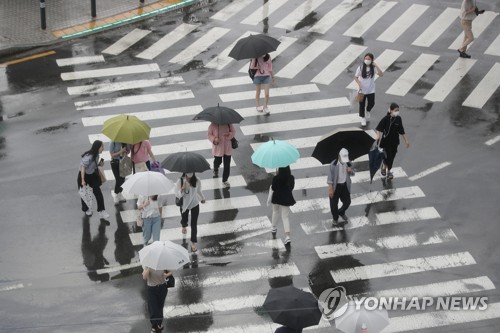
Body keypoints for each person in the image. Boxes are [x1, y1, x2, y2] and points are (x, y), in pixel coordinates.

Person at [375, 103, 410, 180]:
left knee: (392, 157)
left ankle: (384, 165)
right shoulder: (386, 119)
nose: (397, 112)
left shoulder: (398, 119)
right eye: (395, 110)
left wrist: (406, 140)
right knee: (389, 157)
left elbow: (402, 131)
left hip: (394, 142)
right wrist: (378, 136)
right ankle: (389, 171)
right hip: (385, 143)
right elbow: (378, 128)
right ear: (391, 110)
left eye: (398, 110)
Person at [174, 173, 206, 253]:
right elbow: (177, 195)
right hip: (184, 205)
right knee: (184, 219)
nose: (189, 175)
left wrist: (203, 198)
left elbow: (199, 190)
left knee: (194, 224)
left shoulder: (197, 180)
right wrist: (182, 188)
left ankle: (193, 242)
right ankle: (184, 225)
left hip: (195, 204)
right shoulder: (180, 181)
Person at [78, 140, 109, 219]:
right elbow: (83, 167)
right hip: (83, 175)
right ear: (98, 147)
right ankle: (86, 209)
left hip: (92, 175)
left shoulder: (97, 155)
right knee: (84, 193)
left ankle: (101, 210)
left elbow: (93, 166)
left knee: (98, 192)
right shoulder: (89, 156)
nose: (103, 148)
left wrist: (99, 164)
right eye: (102, 146)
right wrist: (82, 180)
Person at [354, 53, 384, 127]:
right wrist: (359, 84)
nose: (367, 60)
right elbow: (355, 77)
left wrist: (376, 65)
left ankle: (368, 110)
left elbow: (381, 74)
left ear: (372, 60)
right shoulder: (360, 67)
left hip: (371, 90)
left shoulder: (373, 68)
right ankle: (363, 118)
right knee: (361, 105)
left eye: (369, 59)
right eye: (366, 58)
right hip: (362, 90)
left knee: (371, 103)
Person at [327, 148, 355, 226]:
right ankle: (335, 218)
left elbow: (353, 173)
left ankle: (341, 212)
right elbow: (330, 178)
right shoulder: (333, 164)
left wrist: (350, 171)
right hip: (336, 187)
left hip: (345, 186)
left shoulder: (349, 163)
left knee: (347, 202)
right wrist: (330, 188)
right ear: (339, 156)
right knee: (333, 206)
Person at [270, 166, 296, 245]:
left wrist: (275, 177)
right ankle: (287, 236)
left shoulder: (276, 178)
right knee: (285, 217)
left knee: (275, 212)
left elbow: (273, 188)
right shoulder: (291, 177)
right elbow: (291, 187)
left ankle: (273, 227)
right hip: (286, 198)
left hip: (276, 197)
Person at [142, 267, 172, 333]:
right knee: (153, 308)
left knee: (160, 307)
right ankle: (153, 327)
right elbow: (144, 277)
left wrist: (166, 275)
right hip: (152, 289)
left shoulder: (163, 262)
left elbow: (170, 272)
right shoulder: (146, 263)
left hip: (162, 288)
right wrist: (148, 268)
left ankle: (159, 324)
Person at [208, 123, 236, 188]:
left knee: (227, 165)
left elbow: (233, 131)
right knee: (218, 161)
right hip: (218, 148)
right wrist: (214, 139)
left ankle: (225, 180)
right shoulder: (213, 125)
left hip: (227, 147)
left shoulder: (228, 123)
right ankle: (215, 168)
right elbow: (209, 135)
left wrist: (229, 135)